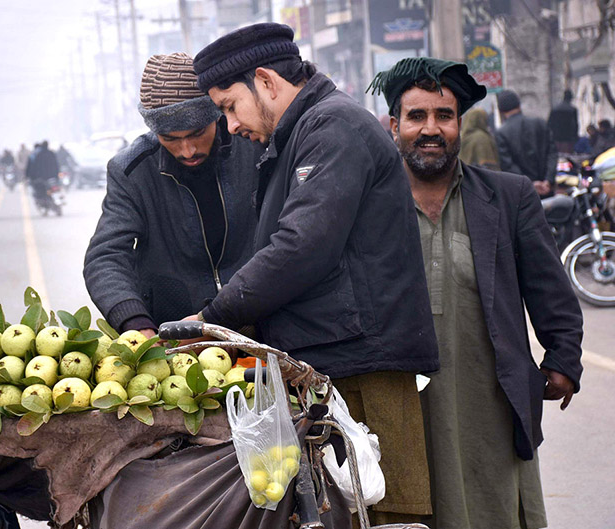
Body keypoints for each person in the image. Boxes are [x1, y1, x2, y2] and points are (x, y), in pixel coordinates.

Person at [193, 24, 439, 525]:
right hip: (332, 360)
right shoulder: (298, 135)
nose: (230, 125)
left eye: (227, 106)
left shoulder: (333, 128)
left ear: (264, 81)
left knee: (385, 514)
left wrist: (212, 318)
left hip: (364, 364)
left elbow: (301, 247)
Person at [373, 56, 584, 529]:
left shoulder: (509, 197)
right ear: (393, 125)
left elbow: (551, 291)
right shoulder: (368, 204)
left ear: (459, 125)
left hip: (490, 402)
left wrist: (564, 357)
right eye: (417, 116)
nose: (431, 129)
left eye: (443, 116)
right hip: (402, 405)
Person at [84, 52, 260, 337]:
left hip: (262, 323)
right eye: (171, 139)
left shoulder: (253, 146)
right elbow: (105, 256)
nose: (187, 150)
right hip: (176, 338)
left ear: (216, 113)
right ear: (155, 131)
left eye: (197, 133)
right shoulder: (131, 171)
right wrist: (136, 322)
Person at [495, 89, 557, 198]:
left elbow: (508, 165)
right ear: (519, 105)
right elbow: (552, 154)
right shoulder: (540, 123)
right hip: (547, 189)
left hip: (523, 194)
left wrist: (530, 184)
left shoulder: (502, 133)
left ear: (501, 110)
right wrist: (548, 180)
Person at [547, 89, 579, 154]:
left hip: (556, 137)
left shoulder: (555, 109)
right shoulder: (573, 109)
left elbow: (549, 123)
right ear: (570, 98)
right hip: (568, 139)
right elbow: (575, 125)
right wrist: (575, 137)